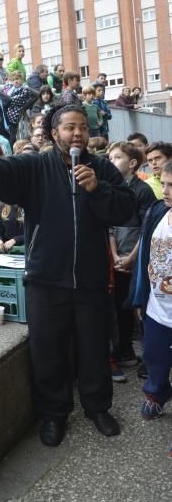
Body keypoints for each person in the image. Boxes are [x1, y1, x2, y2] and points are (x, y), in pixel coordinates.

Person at [0, 104, 134, 447]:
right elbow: (3, 175)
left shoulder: (103, 168)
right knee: (48, 351)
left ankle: (98, 408)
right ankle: (53, 414)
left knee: (94, 348)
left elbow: (125, 210)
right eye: (69, 127)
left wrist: (98, 189)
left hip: (91, 280)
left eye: (81, 127)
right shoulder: (36, 165)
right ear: (54, 134)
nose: (76, 133)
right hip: (46, 279)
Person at [130, 162, 172, 442]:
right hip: (158, 309)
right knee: (155, 357)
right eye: (164, 183)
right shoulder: (158, 211)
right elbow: (145, 254)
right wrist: (139, 296)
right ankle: (157, 392)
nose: (166, 191)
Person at [108, 142, 157, 372]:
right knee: (118, 307)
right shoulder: (111, 187)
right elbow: (109, 227)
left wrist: (129, 258)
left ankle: (138, 353)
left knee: (135, 307)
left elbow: (145, 229)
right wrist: (115, 254)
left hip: (134, 258)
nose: (111, 161)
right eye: (110, 157)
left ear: (133, 163)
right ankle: (121, 350)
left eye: (117, 157)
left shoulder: (142, 190)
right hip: (116, 256)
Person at [2, 71, 38, 145]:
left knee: (12, 135)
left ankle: (11, 151)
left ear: (21, 80)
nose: (16, 81)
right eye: (14, 79)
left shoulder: (24, 89)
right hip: (5, 113)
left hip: (14, 114)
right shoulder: (9, 87)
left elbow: (36, 95)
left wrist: (24, 106)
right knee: (6, 134)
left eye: (17, 79)